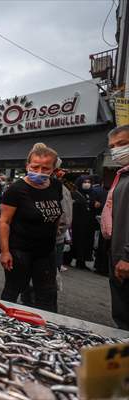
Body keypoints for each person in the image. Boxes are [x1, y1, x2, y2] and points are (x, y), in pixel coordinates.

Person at [0, 143, 62, 312]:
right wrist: (5, 252)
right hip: (20, 251)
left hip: (46, 252)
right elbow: (4, 222)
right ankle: (1, 322)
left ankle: (46, 328)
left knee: (47, 294)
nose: (39, 172)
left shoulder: (56, 186)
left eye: (45, 168)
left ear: (53, 169)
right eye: (35, 167)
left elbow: (56, 215)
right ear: (27, 166)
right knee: (13, 290)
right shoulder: (16, 190)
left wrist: (53, 241)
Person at [101, 125, 129, 329]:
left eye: (123, 144)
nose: (117, 150)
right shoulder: (122, 175)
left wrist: (127, 256)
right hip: (117, 254)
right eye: (113, 146)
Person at [69, 175, 99, 270]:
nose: (87, 184)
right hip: (78, 223)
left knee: (87, 242)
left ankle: (83, 261)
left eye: (88, 182)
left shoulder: (92, 193)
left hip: (89, 224)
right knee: (78, 242)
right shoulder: (75, 194)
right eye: (84, 182)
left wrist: (96, 205)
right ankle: (78, 260)